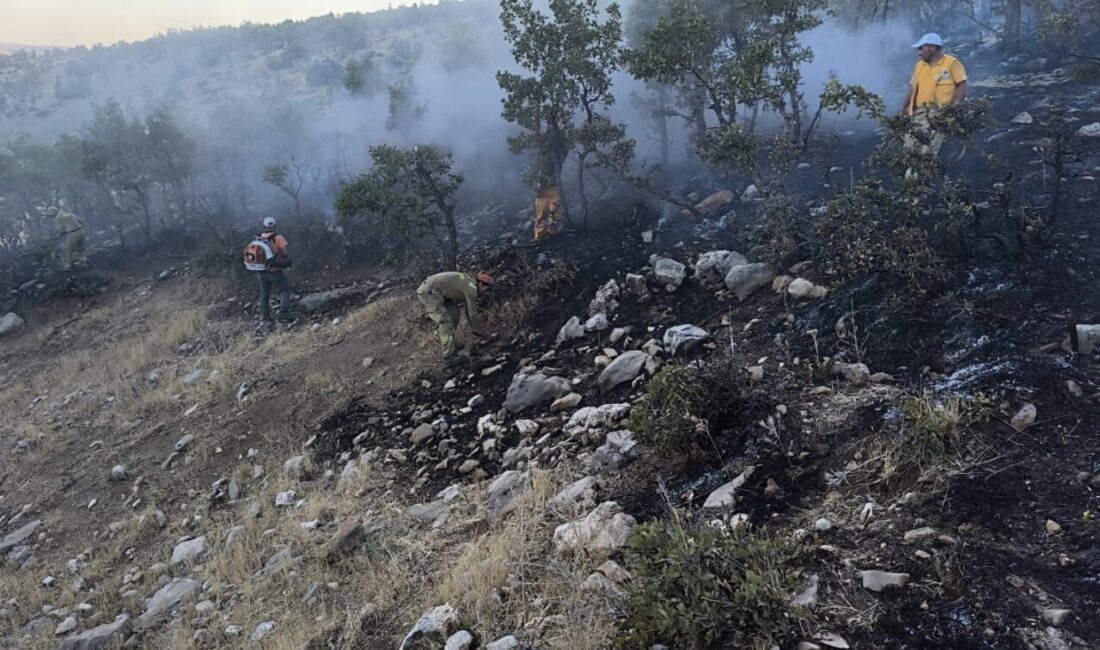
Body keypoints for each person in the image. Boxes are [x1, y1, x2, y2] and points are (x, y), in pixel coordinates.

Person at [899, 33, 968, 161]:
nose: (919, 53)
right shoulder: (920, 66)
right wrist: (904, 108)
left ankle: (923, 177)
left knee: (928, 151)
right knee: (909, 149)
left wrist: (955, 107)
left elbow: (961, 84)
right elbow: (913, 87)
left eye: (921, 48)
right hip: (918, 113)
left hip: (938, 113)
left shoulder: (952, 63)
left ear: (932, 47)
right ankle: (910, 177)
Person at [416, 271, 494, 365]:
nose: (486, 293)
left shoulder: (470, 283)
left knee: (454, 315)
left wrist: (476, 330)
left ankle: (450, 345)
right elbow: (473, 315)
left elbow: (469, 312)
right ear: (481, 283)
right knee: (446, 321)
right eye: (487, 289)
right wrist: (483, 333)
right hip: (428, 292)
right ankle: (448, 356)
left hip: (437, 291)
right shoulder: (471, 289)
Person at [255, 217, 292, 327]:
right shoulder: (278, 237)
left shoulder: (259, 238)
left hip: (261, 272)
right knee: (284, 290)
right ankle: (283, 313)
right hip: (275, 271)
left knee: (264, 294)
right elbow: (285, 253)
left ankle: (264, 317)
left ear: (265, 226)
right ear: (275, 226)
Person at [50, 205, 86, 271]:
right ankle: (83, 263)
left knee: (68, 250)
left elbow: (61, 230)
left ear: (53, 213)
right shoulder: (69, 213)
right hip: (81, 232)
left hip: (72, 234)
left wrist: (58, 236)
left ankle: (67, 267)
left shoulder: (58, 217)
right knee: (81, 248)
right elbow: (81, 221)